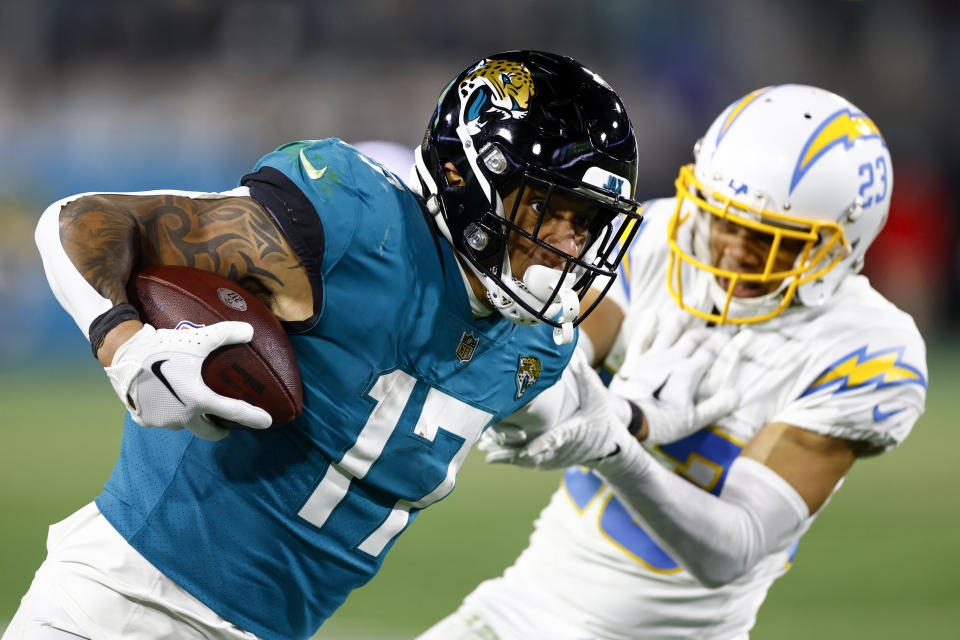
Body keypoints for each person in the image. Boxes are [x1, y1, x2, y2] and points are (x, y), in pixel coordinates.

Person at [4, 51, 644, 640]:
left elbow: (577, 394)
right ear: (465, 175)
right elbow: (84, 220)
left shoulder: (537, 345)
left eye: (584, 220)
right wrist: (127, 347)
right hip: (120, 606)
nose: (566, 242)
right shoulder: (354, 226)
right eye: (548, 206)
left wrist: (634, 426)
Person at [417, 84, 928, 640]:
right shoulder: (668, 239)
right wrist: (589, 405)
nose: (730, 247)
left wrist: (617, 446)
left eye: (765, 236)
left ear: (839, 244)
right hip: (522, 608)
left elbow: (734, 549)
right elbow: (555, 357)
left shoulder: (868, 348)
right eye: (722, 217)